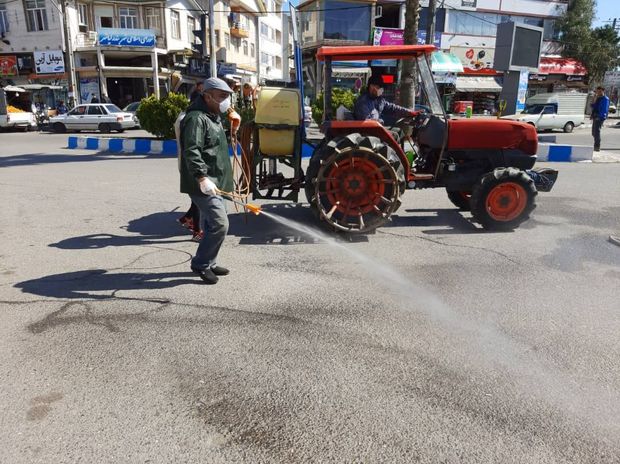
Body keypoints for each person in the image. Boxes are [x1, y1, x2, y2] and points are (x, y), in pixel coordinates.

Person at [179, 77, 236, 284]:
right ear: (208, 95)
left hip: (218, 183)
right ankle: (201, 264)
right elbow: (191, 151)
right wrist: (202, 177)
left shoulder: (213, 116)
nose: (226, 101)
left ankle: (210, 262)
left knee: (213, 224)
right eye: (222, 97)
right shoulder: (196, 119)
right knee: (220, 224)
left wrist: (233, 126)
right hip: (202, 183)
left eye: (228, 97)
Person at [590, 86, 609, 152]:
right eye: (597, 91)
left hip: (600, 117)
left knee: (597, 132)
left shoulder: (605, 99)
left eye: (600, 91)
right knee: (593, 133)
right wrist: (594, 99)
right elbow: (592, 106)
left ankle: (597, 147)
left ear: (603, 91)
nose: (598, 93)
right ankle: (597, 145)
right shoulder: (598, 98)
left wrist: (601, 117)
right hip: (595, 116)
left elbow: (605, 109)